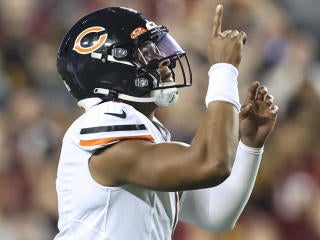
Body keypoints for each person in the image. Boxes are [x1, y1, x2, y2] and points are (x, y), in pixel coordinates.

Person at [54, 4, 278, 240]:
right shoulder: (102, 122)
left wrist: (250, 145)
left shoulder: (147, 137)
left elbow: (215, 213)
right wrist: (224, 69)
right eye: (146, 54)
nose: (163, 60)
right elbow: (211, 163)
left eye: (156, 49)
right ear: (111, 71)